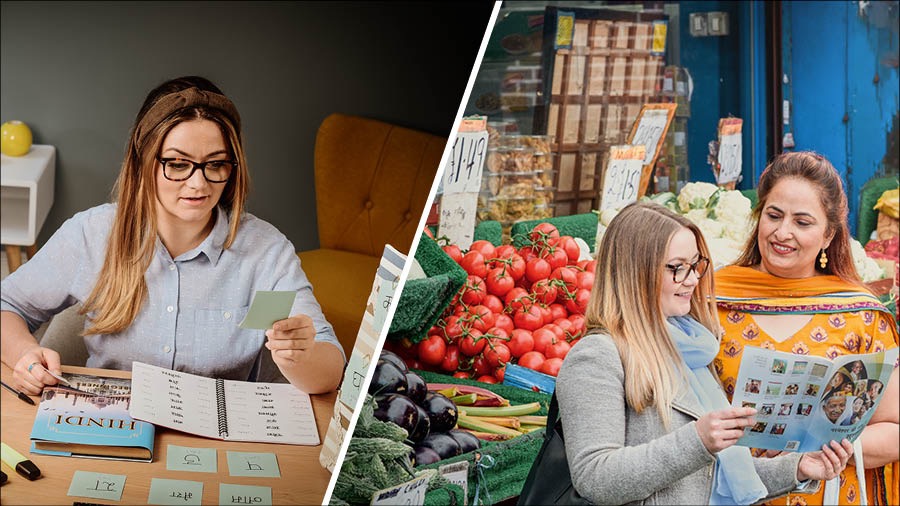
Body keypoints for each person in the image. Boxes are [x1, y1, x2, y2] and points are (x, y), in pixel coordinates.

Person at [0, 76, 345, 395]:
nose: (199, 184)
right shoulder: (90, 234)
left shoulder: (266, 250)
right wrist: (24, 354)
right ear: (143, 161)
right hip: (113, 427)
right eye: (178, 164)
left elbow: (331, 368)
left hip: (223, 440)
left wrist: (300, 356)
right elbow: (7, 305)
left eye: (216, 164)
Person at [555, 201, 852, 505]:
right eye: (677, 268)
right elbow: (595, 477)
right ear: (635, 272)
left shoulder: (690, 347)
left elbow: (714, 478)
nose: (694, 280)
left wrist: (798, 468)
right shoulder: (597, 356)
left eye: (695, 265)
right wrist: (697, 440)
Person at [714, 151, 899, 505]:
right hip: (735, 494)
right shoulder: (713, 302)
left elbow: (895, 428)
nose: (783, 232)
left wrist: (824, 454)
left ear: (829, 235)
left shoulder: (860, 315)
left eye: (802, 222)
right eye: (774, 215)